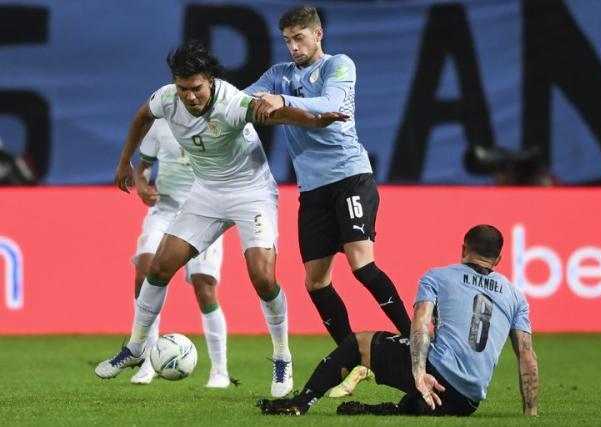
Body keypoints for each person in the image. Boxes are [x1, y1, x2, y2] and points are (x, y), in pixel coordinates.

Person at [94, 40, 348, 398]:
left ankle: (281, 355)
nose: (190, 97)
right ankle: (136, 348)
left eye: (196, 88)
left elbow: (279, 115)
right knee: (159, 267)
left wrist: (317, 120)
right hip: (207, 194)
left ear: (210, 81)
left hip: (251, 194)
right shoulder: (167, 98)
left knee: (262, 277)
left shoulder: (232, 103)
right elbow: (142, 116)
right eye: (184, 89)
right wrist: (125, 162)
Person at [243, 6, 411, 396]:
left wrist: (277, 101)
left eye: (299, 38)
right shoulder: (278, 73)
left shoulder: (339, 65)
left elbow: (331, 104)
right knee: (316, 282)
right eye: (287, 40)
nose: (293, 46)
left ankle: (416, 343)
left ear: (318, 34)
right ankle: (352, 355)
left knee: (361, 264)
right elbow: (244, 101)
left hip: (350, 177)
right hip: (312, 190)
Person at [259, 224, 539, 416]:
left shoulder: (438, 276)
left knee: (358, 343)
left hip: (435, 378)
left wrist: (419, 374)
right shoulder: (516, 295)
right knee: (422, 396)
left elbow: (419, 325)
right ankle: (396, 409)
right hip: (467, 400)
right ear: (499, 259)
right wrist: (530, 413)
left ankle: (302, 402)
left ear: (462, 248)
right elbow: (526, 355)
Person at [128, 118, 229, 388]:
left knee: (204, 285)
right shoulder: (160, 125)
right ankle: (149, 359)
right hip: (165, 211)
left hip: (205, 212)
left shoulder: (218, 123)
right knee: (145, 271)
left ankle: (220, 370)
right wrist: (142, 186)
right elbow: (143, 169)